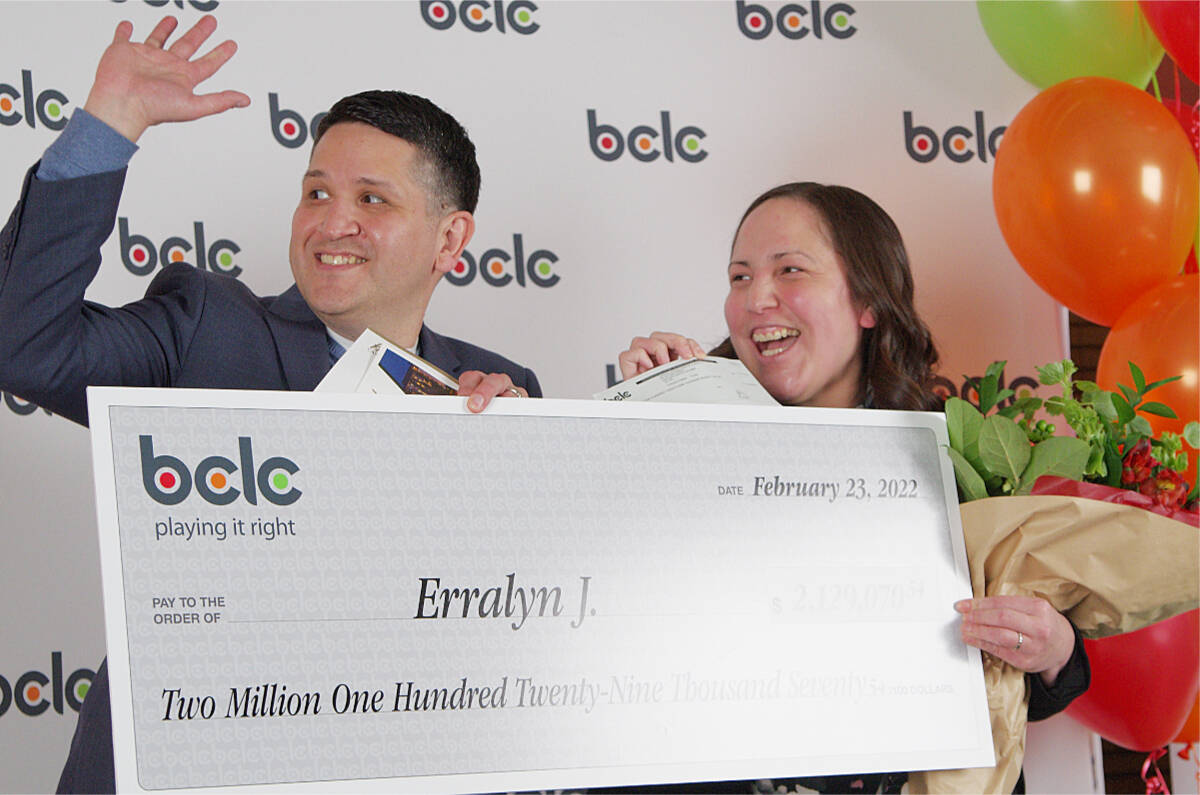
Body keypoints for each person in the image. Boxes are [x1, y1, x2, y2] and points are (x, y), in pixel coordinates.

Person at [0, 16, 540, 793]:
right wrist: (110, 123)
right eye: (315, 191)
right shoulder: (204, 327)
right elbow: (24, 345)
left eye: (372, 199)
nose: (332, 221)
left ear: (450, 240)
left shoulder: (498, 390)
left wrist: (528, 462)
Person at [615, 182, 1089, 794]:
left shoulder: (962, 455)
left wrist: (1052, 649)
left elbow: (1025, 691)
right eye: (739, 277)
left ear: (868, 301)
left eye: (790, 270)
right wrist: (643, 418)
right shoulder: (685, 436)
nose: (757, 298)